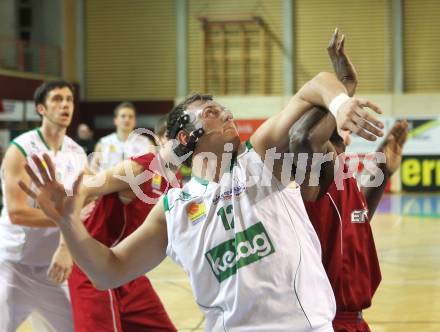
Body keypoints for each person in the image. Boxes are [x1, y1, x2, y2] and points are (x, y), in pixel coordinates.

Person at [21, 70, 385, 331]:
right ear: (185, 135)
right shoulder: (172, 209)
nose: (226, 113)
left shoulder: (259, 162)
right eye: (211, 113)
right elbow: (107, 271)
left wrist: (339, 102)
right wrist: (68, 223)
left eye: (225, 110)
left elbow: (314, 86)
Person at [288, 29, 408, 332]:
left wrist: (382, 174)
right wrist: (345, 91)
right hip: (324, 322)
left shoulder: (341, 175)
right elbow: (302, 137)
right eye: (346, 126)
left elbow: (357, 216)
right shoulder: (311, 177)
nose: (351, 133)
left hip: (355, 321)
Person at [65, 120, 177, 331]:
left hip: (127, 267)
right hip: (92, 263)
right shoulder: (141, 166)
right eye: (175, 137)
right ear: (160, 140)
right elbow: (82, 188)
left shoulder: (175, 181)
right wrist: (64, 247)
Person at [0, 80, 87, 332]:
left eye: (69, 100)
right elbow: (17, 213)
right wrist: (67, 222)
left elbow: (82, 208)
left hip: (52, 271)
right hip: (13, 266)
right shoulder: (21, 149)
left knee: (74, 328)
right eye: (57, 99)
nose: (65, 105)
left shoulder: (77, 153)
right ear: (41, 109)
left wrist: (67, 245)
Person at [91, 102, 155, 171]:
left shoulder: (147, 143)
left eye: (130, 117)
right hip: (109, 181)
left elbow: (155, 170)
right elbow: (92, 172)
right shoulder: (103, 143)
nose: (127, 119)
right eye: (123, 116)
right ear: (115, 120)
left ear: (135, 121)